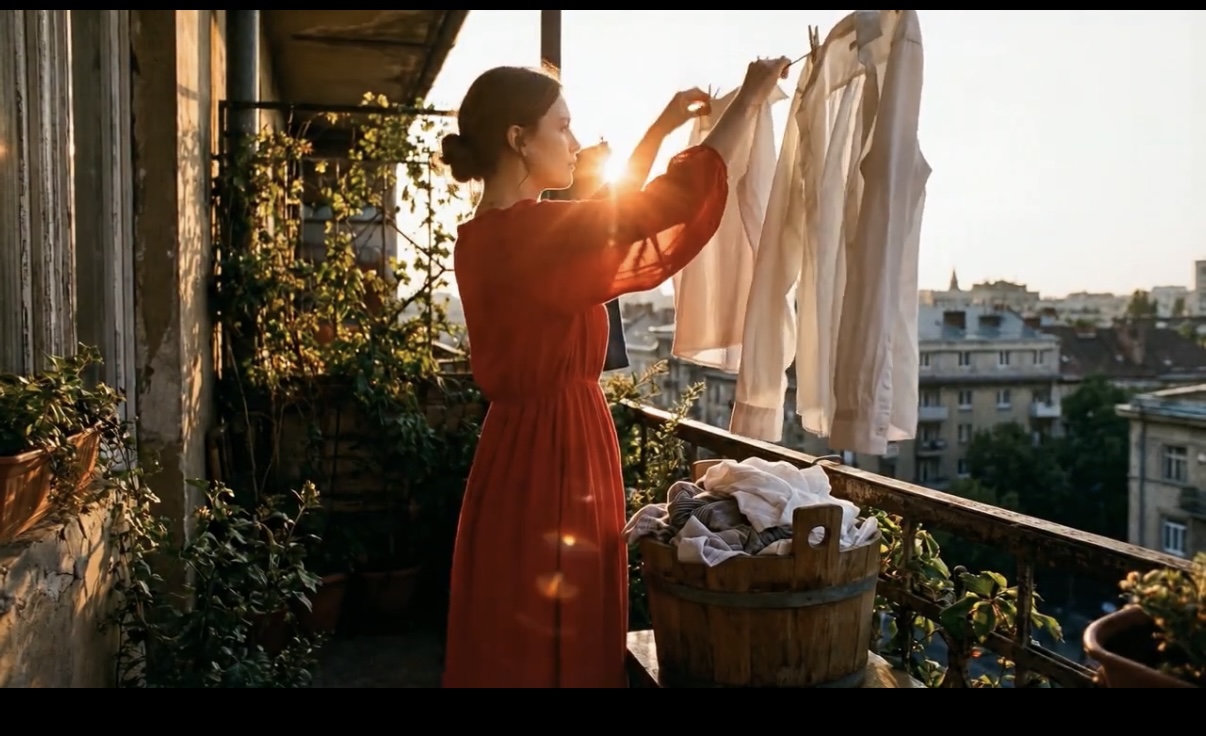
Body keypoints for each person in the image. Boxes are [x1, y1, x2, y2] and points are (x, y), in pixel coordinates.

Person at [440, 57, 791, 688]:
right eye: (563, 128)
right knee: (558, 625)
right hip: (555, 452)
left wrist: (658, 128)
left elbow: (601, 217)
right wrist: (750, 99)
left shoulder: (490, 236)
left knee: (519, 622)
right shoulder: (529, 235)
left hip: (519, 450)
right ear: (519, 138)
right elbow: (656, 211)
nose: (575, 145)